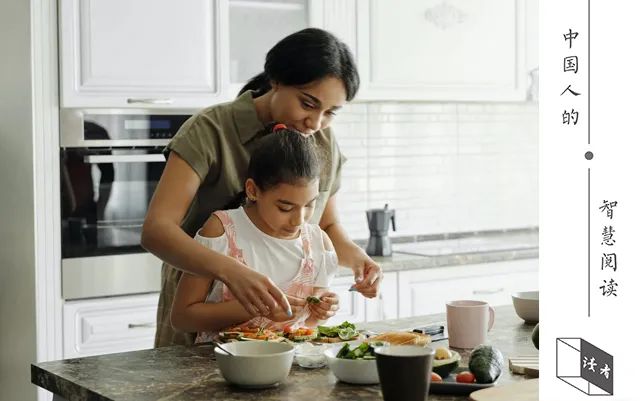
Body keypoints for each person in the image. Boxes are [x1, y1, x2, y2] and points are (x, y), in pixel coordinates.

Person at [141, 27, 383, 347]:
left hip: (282, 335)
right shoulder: (210, 130)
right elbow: (156, 230)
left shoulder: (321, 140)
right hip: (202, 315)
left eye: (330, 113)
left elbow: (325, 224)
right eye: (307, 103)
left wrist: (358, 260)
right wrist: (231, 272)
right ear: (276, 80)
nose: (316, 122)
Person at [171, 126, 339, 341]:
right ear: (252, 190)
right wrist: (256, 308)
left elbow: (311, 325)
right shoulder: (222, 230)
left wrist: (323, 309)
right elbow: (182, 318)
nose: (299, 220)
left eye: (309, 205)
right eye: (285, 208)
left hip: (291, 367)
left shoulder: (318, 243)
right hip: (221, 366)